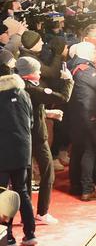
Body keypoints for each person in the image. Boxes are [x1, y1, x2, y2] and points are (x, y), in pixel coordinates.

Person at [16, 55, 68, 225]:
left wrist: (47, 113)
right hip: (36, 137)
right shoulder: (33, 89)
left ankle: (26, 213)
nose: (40, 72)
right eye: (37, 70)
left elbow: (28, 111)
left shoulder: (16, 88)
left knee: (26, 176)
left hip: (21, 137)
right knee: (47, 172)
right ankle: (42, 212)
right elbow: (62, 98)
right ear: (29, 73)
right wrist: (68, 81)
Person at [66, 41, 96, 201]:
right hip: (91, 115)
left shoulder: (75, 67)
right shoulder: (84, 70)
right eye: (94, 52)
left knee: (89, 151)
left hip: (82, 116)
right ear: (86, 53)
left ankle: (87, 190)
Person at [0, 65, 36, 246]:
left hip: (3, 152)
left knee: (3, 193)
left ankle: (7, 238)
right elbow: (31, 122)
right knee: (22, 191)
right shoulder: (24, 95)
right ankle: (30, 234)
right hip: (22, 150)